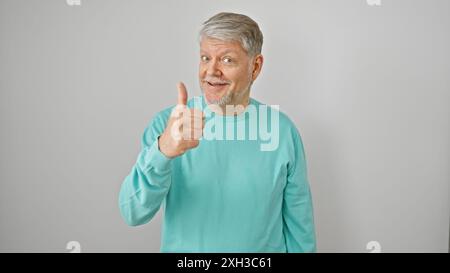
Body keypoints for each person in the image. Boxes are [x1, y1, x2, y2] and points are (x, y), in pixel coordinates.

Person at [119, 12, 316, 252]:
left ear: (255, 67)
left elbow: (300, 231)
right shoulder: (170, 126)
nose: (211, 71)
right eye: (205, 58)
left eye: (227, 60)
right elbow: (132, 213)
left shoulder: (282, 131)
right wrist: (162, 152)